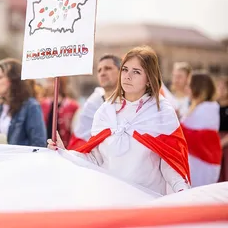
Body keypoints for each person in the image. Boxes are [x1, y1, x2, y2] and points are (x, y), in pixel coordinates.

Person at [48, 46, 190, 195]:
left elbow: (171, 164)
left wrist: (182, 191)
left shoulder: (161, 112)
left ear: (149, 79)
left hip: (146, 200)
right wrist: (64, 152)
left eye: (136, 72)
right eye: (125, 69)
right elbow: (95, 159)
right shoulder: (105, 111)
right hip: (111, 198)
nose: (127, 76)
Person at [69, 54, 121, 149]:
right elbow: (80, 139)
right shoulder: (91, 104)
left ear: (121, 72)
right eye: (99, 70)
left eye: (108, 68)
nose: (102, 73)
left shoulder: (131, 101)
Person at [0, 58, 47, 147]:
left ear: (13, 80)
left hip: (20, 159)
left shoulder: (31, 106)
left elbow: (39, 144)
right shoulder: (0, 106)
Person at [180, 72, 222, 187]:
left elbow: (196, 138)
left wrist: (178, 126)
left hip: (202, 163)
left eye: (189, 85)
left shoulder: (206, 109)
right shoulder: (200, 107)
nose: (186, 88)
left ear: (197, 88)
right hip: (197, 161)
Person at [41, 77, 79, 148]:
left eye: (51, 81)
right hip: (46, 147)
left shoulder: (73, 106)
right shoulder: (43, 104)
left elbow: (76, 131)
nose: (48, 85)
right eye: (47, 82)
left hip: (66, 148)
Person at [217, 77, 228, 182]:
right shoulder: (215, 106)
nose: (220, 90)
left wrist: (222, 143)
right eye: (219, 87)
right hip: (215, 142)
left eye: (224, 87)